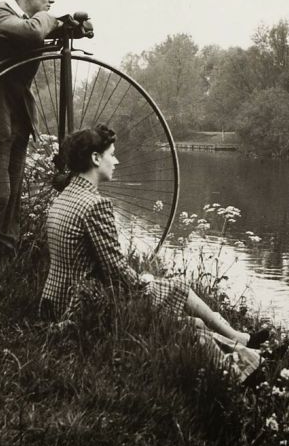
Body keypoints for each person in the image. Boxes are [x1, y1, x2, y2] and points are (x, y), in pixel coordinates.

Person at [40, 125, 270, 381]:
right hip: (83, 309)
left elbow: (101, 264)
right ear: (95, 158)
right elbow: (116, 270)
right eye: (112, 154)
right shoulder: (96, 205)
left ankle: (246, 360)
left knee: (193, 324)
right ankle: (243, 366)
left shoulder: (64, 197)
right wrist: (143, 282)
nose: (115, 161)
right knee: (180, 296)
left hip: (55, 302)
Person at [0, 0, 87, 285]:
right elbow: (33, 31)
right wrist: (54, 20)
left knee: (13, 195)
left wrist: (74, 26)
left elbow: (45, 30)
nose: (51, 1)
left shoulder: (27, 20)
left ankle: (1, 267)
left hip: (17, 119)